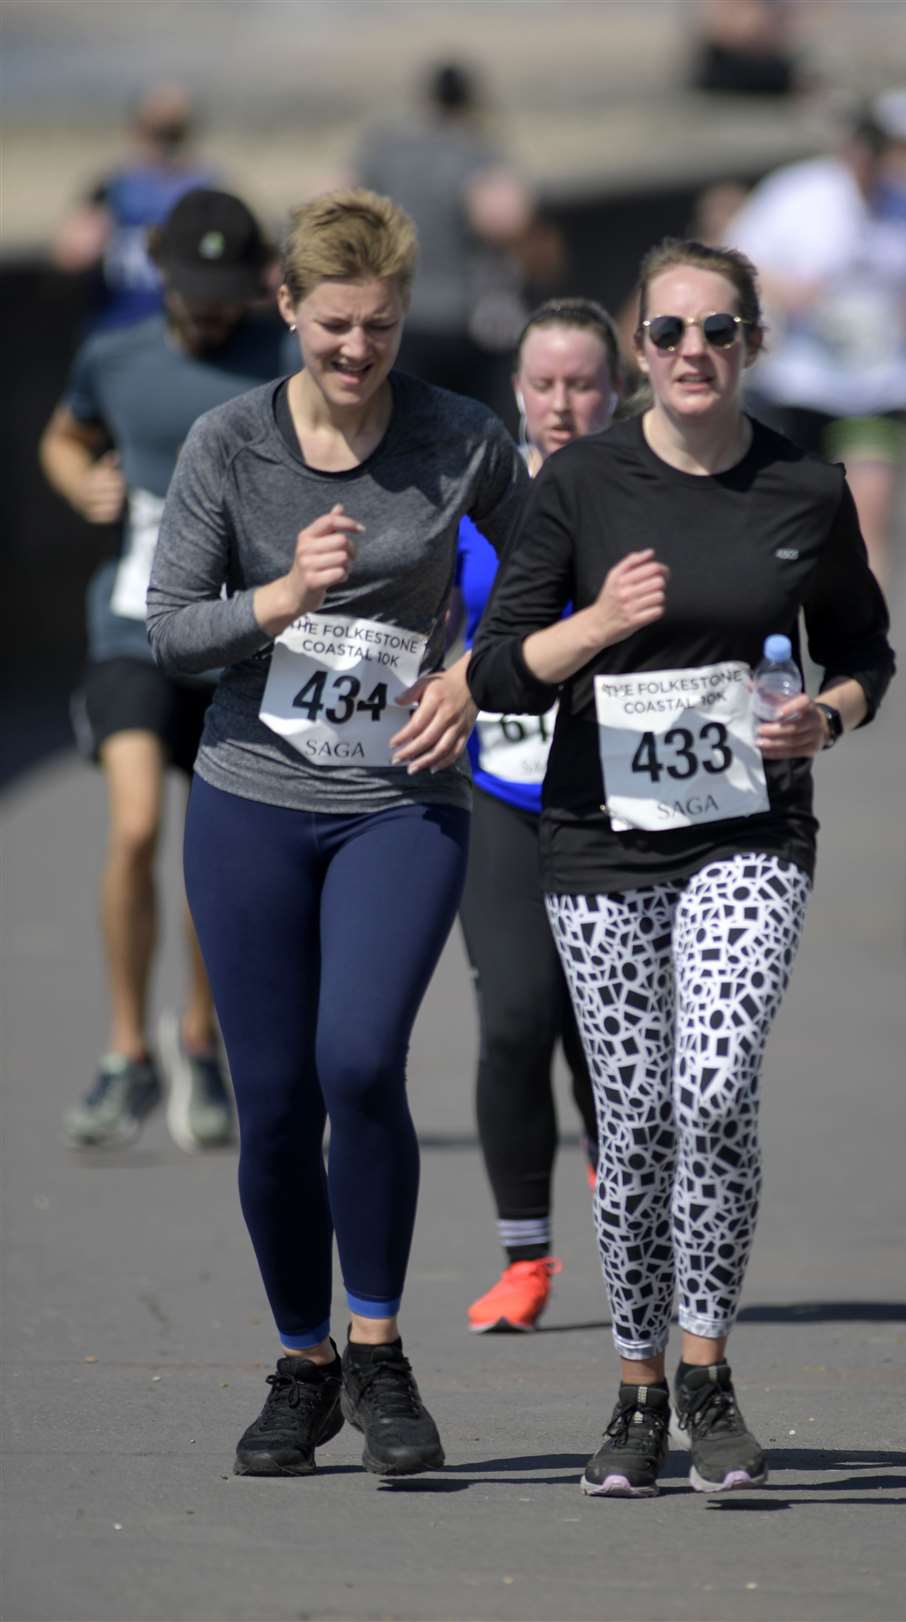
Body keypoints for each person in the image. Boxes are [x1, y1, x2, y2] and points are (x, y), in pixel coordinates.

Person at [468, 238, 895, 1499]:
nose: (692, 353)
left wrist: (829, 716)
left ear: (753, 341)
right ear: (637, 347)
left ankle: (708, 1370)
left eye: (718, 330)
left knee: (713, 1088)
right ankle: (636, 1385)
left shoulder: (806, 488)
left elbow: (866, 652)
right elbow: (497, 671)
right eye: (667, 333)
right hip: (599, 840)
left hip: (750, 833)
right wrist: (598, 624)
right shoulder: (582, 486)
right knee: (638, 1117)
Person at [146, 188, 528, 1478]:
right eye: (333, 326)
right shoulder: (227, 444)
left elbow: (539, 582)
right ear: (286, 309)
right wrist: (283, 595)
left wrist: (470, 674)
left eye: (378, 327)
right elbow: (170, 629)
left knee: (361, 1059)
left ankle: (381, 1349)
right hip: (252, 793)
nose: (357, 352)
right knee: (273, 1103)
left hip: (396, 796)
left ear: (404, 317)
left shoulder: (462, 436)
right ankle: (302, 1363)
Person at [40, 187, 290, 1154]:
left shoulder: (285, 359)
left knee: (212, 857)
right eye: (198, 291)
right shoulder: (117, 353)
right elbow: (66, 433)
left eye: (232, 291)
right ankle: (123, 1054)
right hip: (131, 629)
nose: (214, 309)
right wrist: (79, 476)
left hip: (242, 640)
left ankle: (197, 1042)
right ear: (162, 275)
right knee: (138, 824)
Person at [458, 299, 620, 1334]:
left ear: (617, 389)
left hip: (624, 800)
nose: (562, 404)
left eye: (583, 384)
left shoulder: (653, 491)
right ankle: (525, 1257)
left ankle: (631, 1203)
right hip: (502, 793)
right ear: (518, 389)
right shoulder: (473, 493)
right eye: (544, 384)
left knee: (609, 1035)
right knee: (517, 1013)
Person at [725, 112, 906, 584]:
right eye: (863, 154)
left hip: (879, 386)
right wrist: (786, 290)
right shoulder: (795, 194)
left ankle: (866, 647)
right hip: (801, 383)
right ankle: (778, 635)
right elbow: (734, 262)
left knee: (869, 520)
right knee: (790, 524)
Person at [350, 60, 534, 425]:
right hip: (463, 321)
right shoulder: (475, 149)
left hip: (400, 313)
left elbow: (338, 199)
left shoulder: (387, 147)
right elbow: (506, 217)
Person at [51, 83, 217, 334]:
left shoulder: (205, 186)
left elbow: (222, 247)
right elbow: (72, 254)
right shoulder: (114, 187)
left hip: (181, 333)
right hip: (120, 326)